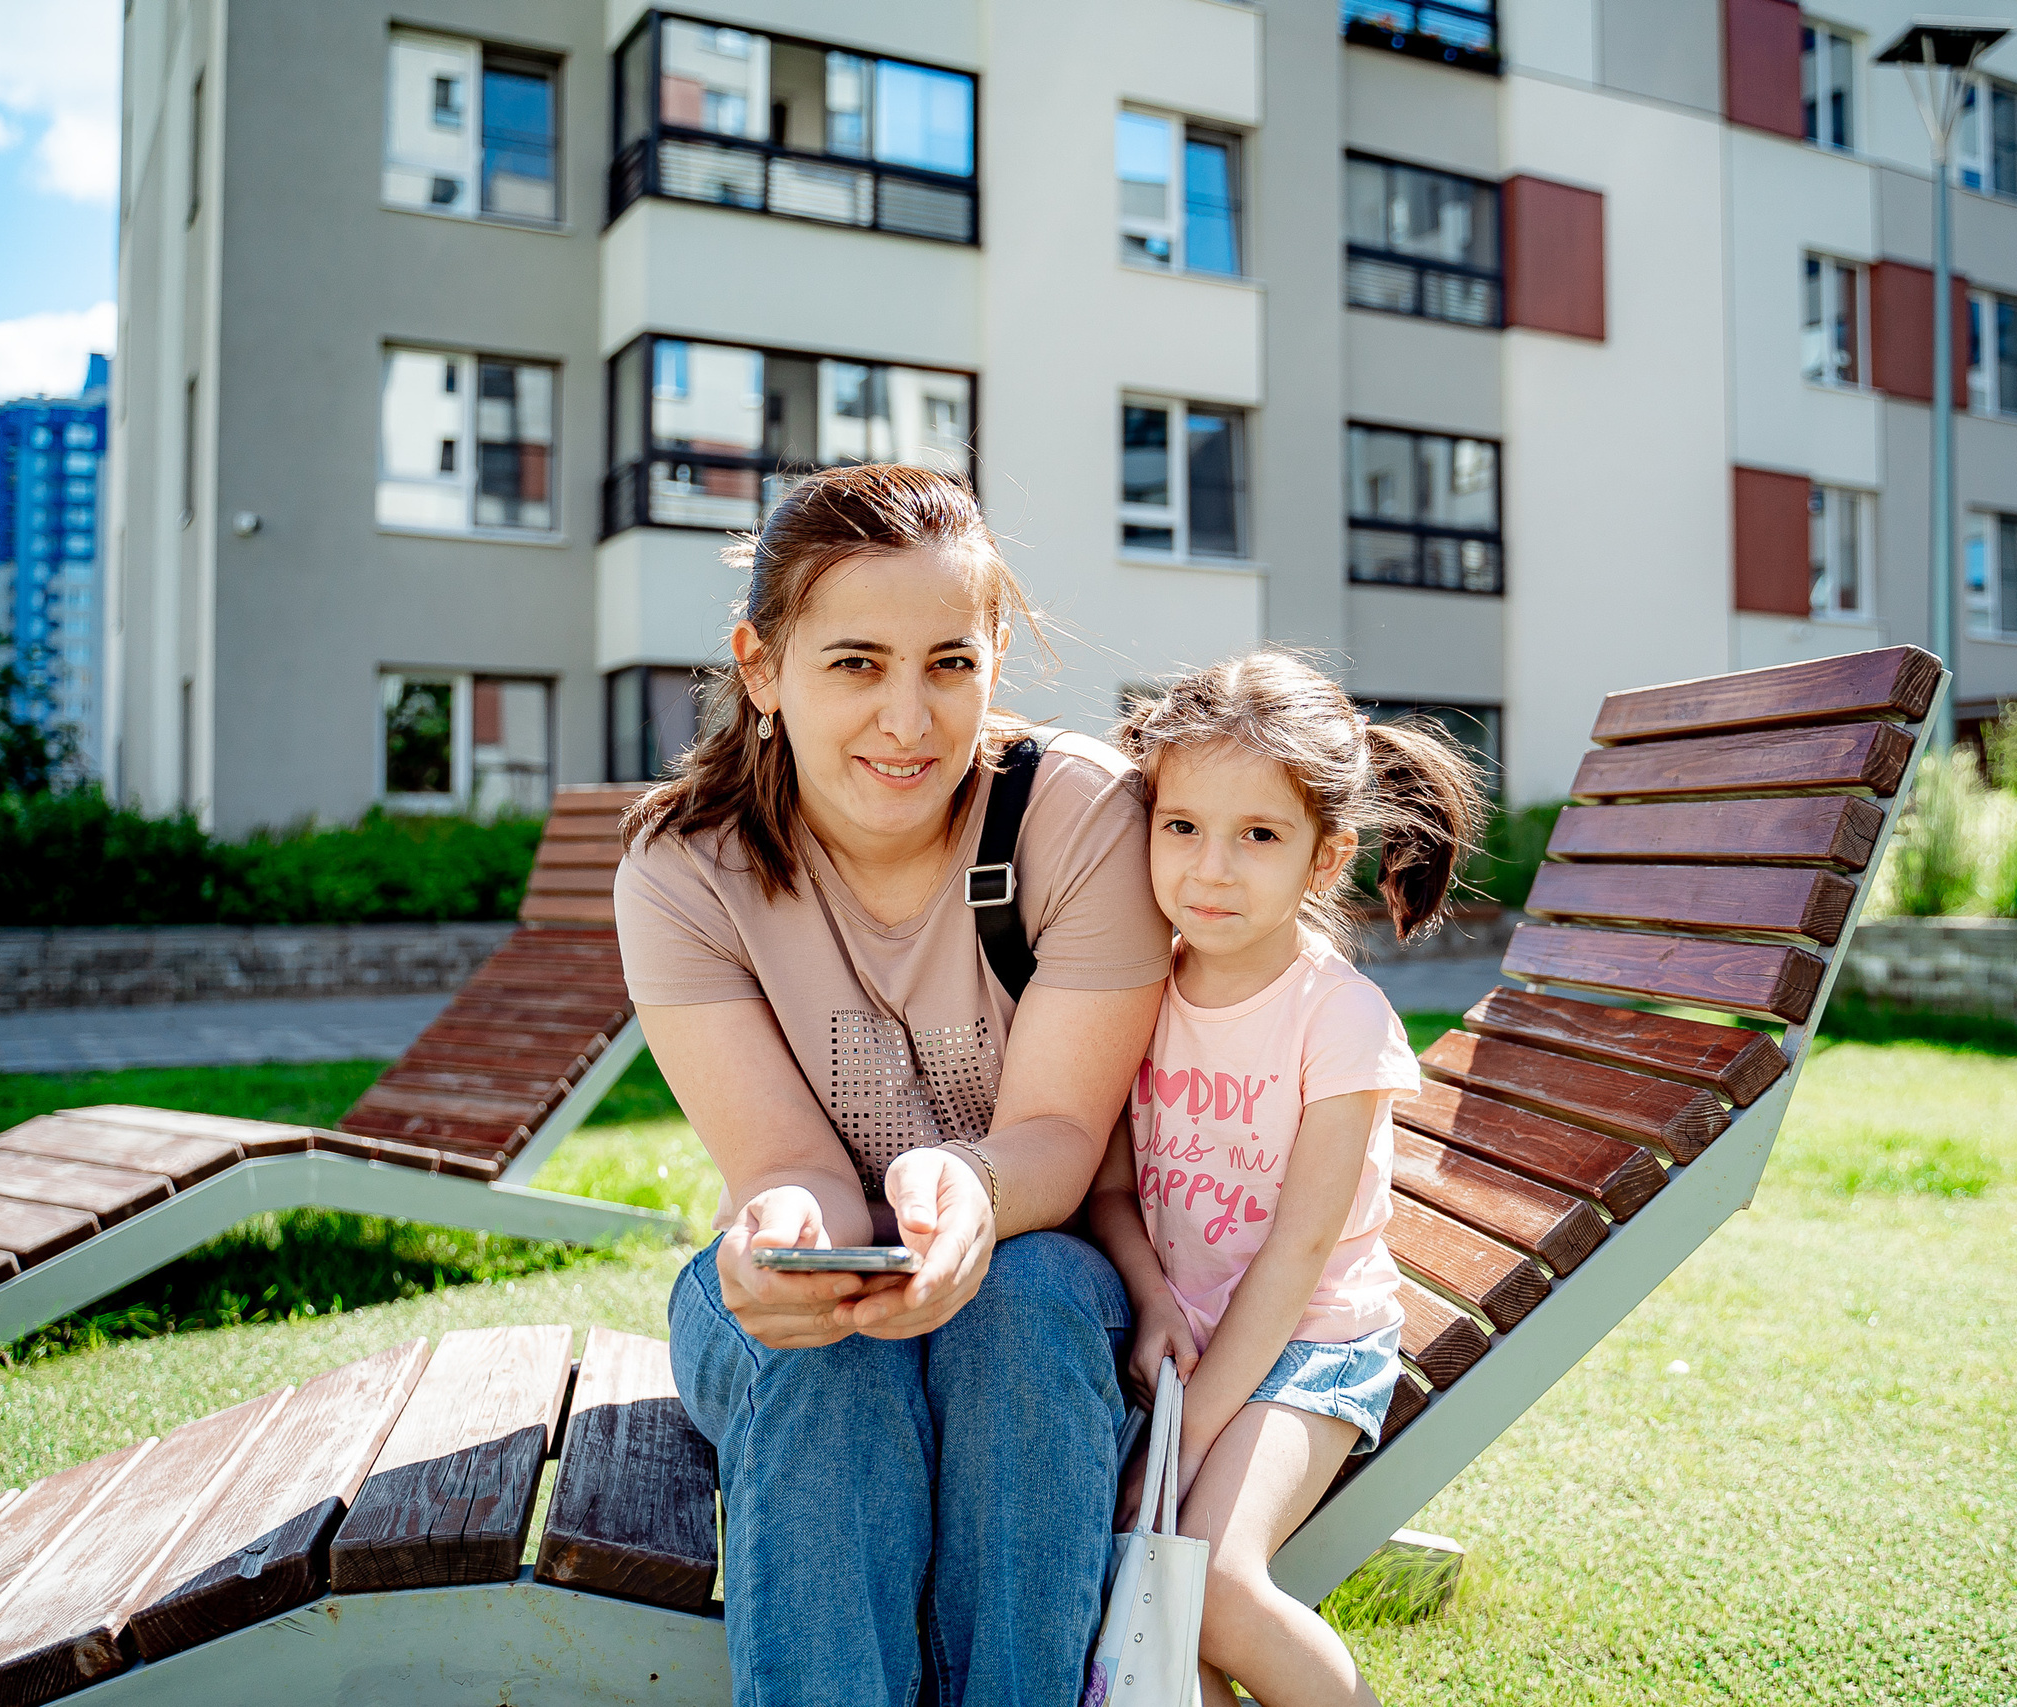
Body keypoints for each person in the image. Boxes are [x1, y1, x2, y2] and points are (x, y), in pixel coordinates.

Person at [614, 464, 1171, 1707]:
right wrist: (787, 1233)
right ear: (761, 667)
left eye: (949, 665)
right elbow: (785, 1168)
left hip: (1038, 1267)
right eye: (856, 663)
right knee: (825, 1356)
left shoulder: (1073, 817)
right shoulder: (681, 868)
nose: (908, 721)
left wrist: (968, 1184)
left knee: (1019, 1307)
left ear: (993, 659)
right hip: (796, 1300)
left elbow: (1060, 1134)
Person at [1087, 651, 1488, 1707]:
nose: (1210, 869)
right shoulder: (1137, 990)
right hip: (1185, 1337)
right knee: (1144, 1591)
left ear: (1324, 857)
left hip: (1309, 1349)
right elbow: (1115, 1192)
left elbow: (1301, 1249)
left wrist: (1192, 1434)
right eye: (1182, 827)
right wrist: (1148, 1296)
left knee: (1210, 1583)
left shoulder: (1338, 1020)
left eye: (1258, 835)